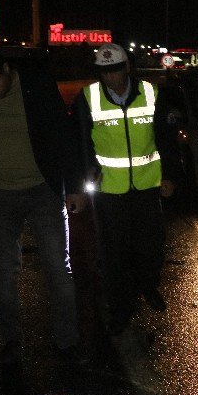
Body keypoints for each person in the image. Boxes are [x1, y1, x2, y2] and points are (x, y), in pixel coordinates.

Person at [0, 46, 89, 368]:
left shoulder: (37, 84)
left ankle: (67, 341)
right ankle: (11, 340)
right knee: (5, 270)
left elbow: (63, 135)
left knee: (58, 267)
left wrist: (76, 187)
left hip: (43, 191)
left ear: (7, 70)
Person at [71, 43, 180, 334]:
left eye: (115, 70)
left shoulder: (152, 93)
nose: (111, 77)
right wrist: (82, 180)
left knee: (151, 246)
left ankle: (148, 286)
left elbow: (166, 139)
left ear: (127, 67)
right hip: (109, 189)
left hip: (147, 185)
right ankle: (120, 308)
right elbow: (81, 142)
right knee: (113, 253)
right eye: (104, 72)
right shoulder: (88, 97)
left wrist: (170, 175)